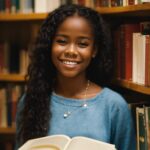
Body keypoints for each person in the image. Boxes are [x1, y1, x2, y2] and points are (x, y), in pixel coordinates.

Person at [16, 4, 136, 150]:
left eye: (82, 44)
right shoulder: (30, 101)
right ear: (50, 45)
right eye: (62, 41)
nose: (71, 51)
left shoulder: (114, 106)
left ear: (94, 50)